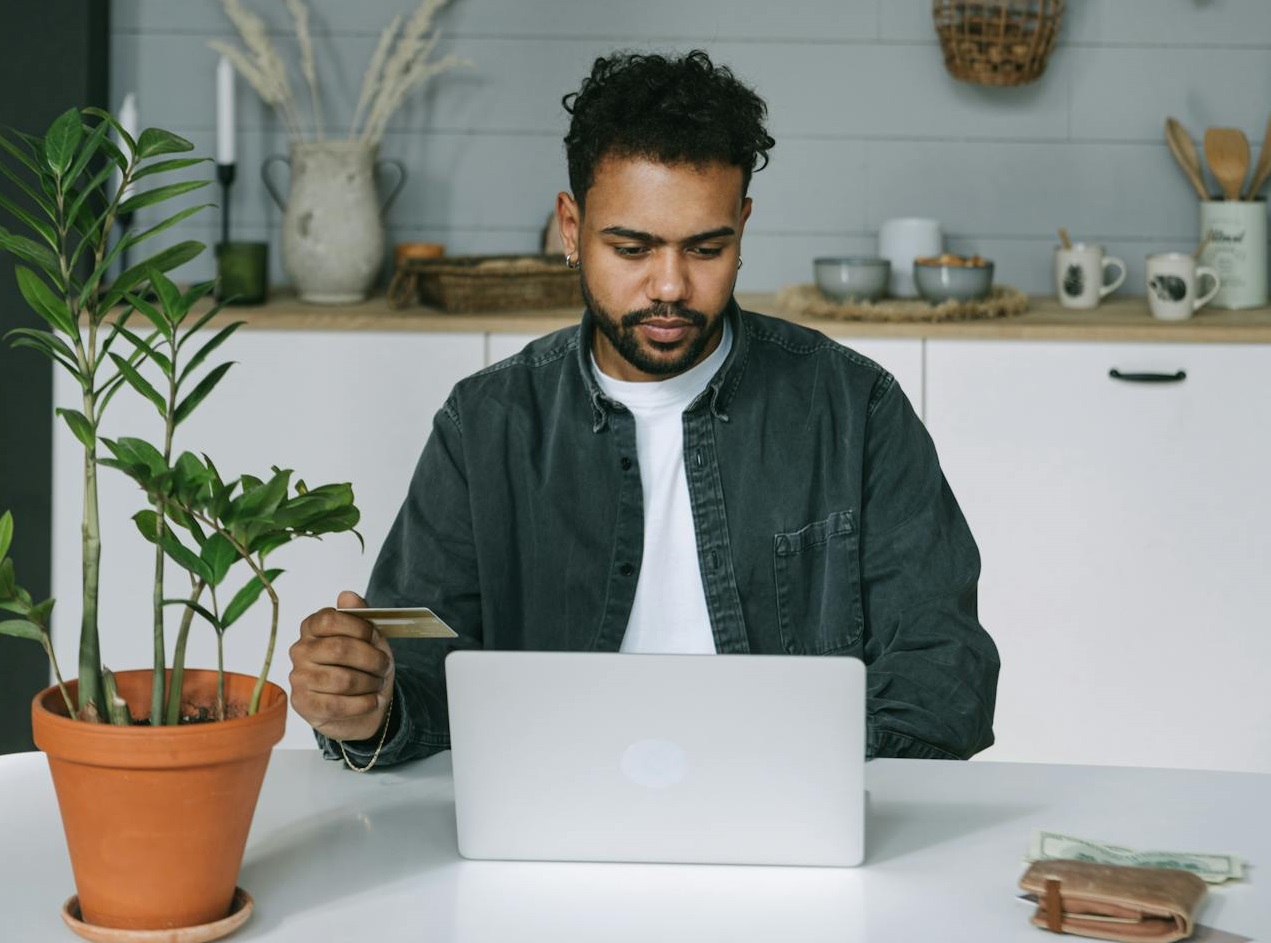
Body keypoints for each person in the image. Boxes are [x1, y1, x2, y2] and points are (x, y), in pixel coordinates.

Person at [289, 49, 999, 770]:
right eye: (631, 247)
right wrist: (368, 700)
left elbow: (945, 666)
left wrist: (792, 769)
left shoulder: (855, 409)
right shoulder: (486, 421)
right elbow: (414, 640)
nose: (669, 285)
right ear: (571, 228)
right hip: (550, 817)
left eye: (706, 248)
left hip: (790, 828)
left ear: (742, 226)